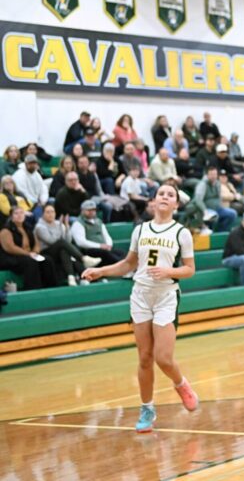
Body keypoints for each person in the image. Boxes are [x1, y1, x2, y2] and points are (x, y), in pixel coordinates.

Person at [82, 183, 199, 432]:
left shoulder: (182, 233)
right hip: (141, 295)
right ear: (154, 202)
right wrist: (100, 271)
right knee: (145, 358)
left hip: (166, 294)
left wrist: (168, 271)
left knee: (163, 358)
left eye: (171, 195)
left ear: (176, 205)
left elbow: (189, 269)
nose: (165, 197)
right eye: (161, 194)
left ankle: (181, 384)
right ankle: (147, 408)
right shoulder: (141, 230)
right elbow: (127, 264)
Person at [35, 203, 100, 287]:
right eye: (48, 212)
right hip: (45, 252)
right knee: (62, 244)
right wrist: (60, 228)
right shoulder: (39, 227)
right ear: (43, 214)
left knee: (64, 251)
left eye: (52, 212)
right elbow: (51, 241)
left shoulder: (60, 224)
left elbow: (68, 241)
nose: (50, 214)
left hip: (59, 251)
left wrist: (67, 227)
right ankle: (84, 258)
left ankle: (72, 277)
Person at [0, 206, 58, 289]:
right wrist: (28, 254)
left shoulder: (28, 227)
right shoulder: (5, 230)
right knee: (30, 262)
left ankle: (51, 288)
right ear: (11, 216)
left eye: (21, 213)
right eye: (16, 213)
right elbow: (10, 248)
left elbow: (36, 244)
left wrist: (35, 252)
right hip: (10, 258)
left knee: (47, 260)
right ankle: (33, 289)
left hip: (27, 256)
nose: (19, 215)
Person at [71, 200, 126, 266]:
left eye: (93, 210)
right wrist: (100, 246)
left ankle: (124, 266)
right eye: (88, 210)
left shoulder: (98, 221)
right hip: (89, 250)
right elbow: (81, 242)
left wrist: (109, 245)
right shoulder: (78, 223)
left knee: (121, 252)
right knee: (105, 254)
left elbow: (106, 235)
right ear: (82, 210)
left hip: (103, 249)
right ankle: (123, 266)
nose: (91, 212)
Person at [193, 166, 236, 232]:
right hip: (206, 210)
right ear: (207, 175)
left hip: (218, 208)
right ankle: (211, 232)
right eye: (211, 174)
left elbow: (219, 197)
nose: (213, 176)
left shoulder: (217, 183)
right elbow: (198, 200)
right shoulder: (202, 184)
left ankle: (221, 231)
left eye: (215, 174)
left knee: (232, 214)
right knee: (213, 216)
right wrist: (205, 211)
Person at [12, 154, 48, 220]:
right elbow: (22, 193)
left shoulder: (36, 174)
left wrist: (43, 200)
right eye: (30, 163)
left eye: (34, 163)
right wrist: (37, 203)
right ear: (26, 164)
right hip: (26, 203)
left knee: (52, 202)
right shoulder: (19, 175)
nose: (32, 165)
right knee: (38, 212)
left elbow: (43, 189)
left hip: (38, 202)